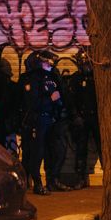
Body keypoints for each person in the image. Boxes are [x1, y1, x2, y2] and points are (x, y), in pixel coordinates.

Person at [19, 50, 70, 194]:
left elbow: (61, 95)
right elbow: (32, 102)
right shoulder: (30, 78)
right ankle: (37, 183)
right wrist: (51, 99)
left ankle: (52, 180)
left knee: (55, 151)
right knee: (37, 152)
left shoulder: (53, 76)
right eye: (46, 62)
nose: (50, 65)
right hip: (37, 120)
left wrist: (60, 106)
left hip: (53, 119)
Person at [67, 48, 101, 189]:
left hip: (96, 117)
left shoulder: (97, 77)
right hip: (82, 118)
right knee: (81, 148)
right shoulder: (75, 79)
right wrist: (75, 116)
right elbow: (71, 100)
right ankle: (81, 177)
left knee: (102, 147)